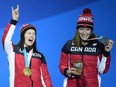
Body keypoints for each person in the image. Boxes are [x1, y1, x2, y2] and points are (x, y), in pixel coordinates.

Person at [59, 8, 114, 87]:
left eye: (87, 29)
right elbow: (62, 65)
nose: (84, 33)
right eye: (81, 29)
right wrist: (67, 71)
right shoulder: (68, 45)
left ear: (91, 30)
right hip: (71, 84)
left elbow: (103, 70)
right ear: (77, 30)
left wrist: (106, 53)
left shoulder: (99, 46)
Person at [2, 5, 52, 87]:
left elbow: (45, 77)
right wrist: (14, 21)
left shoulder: (39, 56)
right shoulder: (13, 50)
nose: (32, 36)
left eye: (34, 34)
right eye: (29, 33)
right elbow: (5, 40)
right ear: (23, 36)